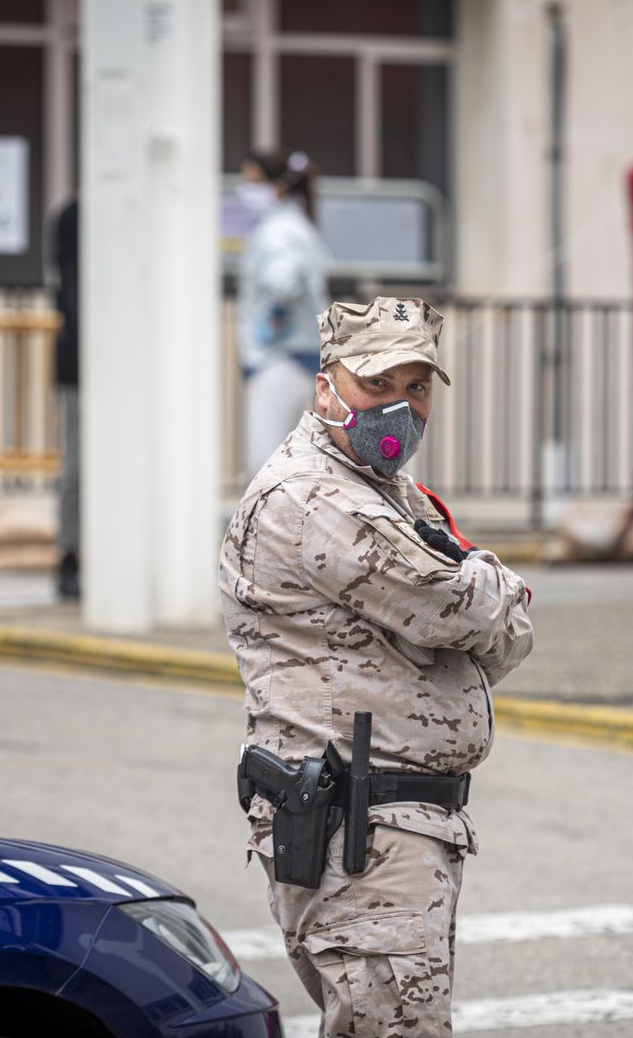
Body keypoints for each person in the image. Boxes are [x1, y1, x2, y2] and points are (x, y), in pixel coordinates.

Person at [219, 297, 534, 1036]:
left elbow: (502, 632)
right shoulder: (316, 497)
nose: (400, 407)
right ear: (326, 384)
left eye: (416, 387)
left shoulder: (385, 489)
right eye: (377, 384)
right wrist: (496, 585)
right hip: (358, 835)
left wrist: (488, 598)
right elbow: (462, 606)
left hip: (392, 828)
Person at [237, 148, 331, 478]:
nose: (245, 190)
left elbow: (283, 281)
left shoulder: (280, 230)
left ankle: (269, 530)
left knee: (266, 465)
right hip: (293, 354)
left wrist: (274, 312)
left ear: (277, 187)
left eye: (253, 181)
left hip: (279, 355)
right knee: (283, 462)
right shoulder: (292, 225)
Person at [50, 199, 80, 599]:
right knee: (76, 469)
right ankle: (69, 557)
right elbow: (69, 291)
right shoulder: (74, 216)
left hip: (126, 371)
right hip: (79, 365)